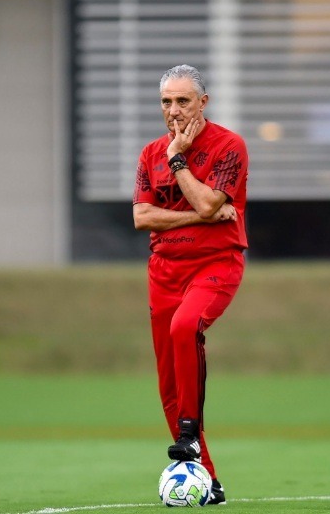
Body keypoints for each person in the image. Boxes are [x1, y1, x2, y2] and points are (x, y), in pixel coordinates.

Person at [132, 64, 248, 506]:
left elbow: (207, 201)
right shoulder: (147, 154)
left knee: (186, 328)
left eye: (183, 100)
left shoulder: (228, 146)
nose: (174, 110)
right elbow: (143, 217)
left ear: (204, 102)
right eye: (166, 102)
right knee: (168, 385)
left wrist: (178, 159)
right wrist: (198, 215)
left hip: (215, 263)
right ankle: (208, 480)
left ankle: (187, 433)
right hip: (164, 270)